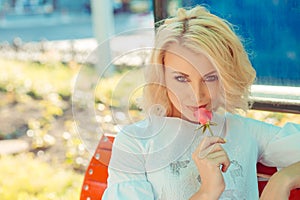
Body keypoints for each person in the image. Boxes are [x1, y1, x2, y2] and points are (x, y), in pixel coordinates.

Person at [102, 5, 300, 200]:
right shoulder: (136, 143)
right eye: (181, 79)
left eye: (210, 78)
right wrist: (207, 192)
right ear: (161, 77)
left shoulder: (245, 131)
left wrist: (283, 179)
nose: (198, 96)